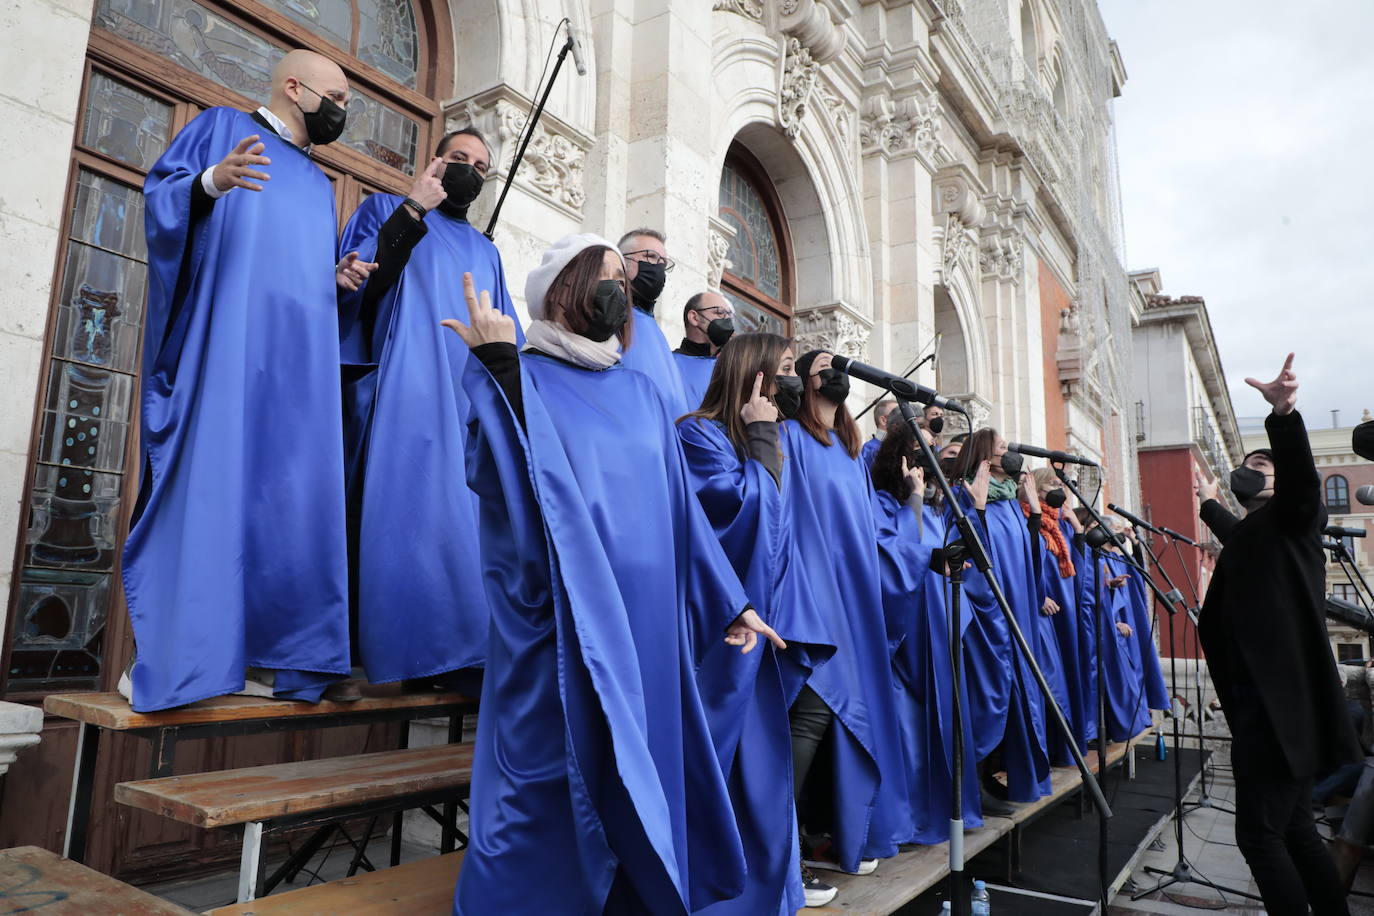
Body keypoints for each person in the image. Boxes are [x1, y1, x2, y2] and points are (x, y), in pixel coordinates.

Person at [445, 236, 782, 914]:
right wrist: (497, 366)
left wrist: (731, 602)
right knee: (552, 774)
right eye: (604, 276)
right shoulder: (524, 374)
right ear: (565, 288)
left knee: (645, 769)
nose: (618, 289)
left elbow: (680, 510)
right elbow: (501, 479)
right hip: (563, 621)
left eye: (621, 280)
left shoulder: (642, 393)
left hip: (648, 624)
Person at [123, 49, 373, 711]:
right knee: (214, 488)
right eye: (338, 97)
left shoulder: (320, 187)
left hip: (298, 375)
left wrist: (335, 279)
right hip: (227, 351)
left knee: (290, 505)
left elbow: (295, 277)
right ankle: (188, 655)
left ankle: (280, 656)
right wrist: (209, 182)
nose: (344, 110)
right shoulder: (223, 128)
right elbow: (161, 199)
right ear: (294, 88)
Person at [335, 127, 520, 688]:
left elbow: (505, 333)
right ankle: (369, 652)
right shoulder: (388, 208)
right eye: (458, 158)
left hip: (465, 395)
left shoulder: (487, 251)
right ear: (435, 159)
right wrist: (417, 207)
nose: (468, 170)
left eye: (480, 166)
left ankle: (454, 659)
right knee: (398, 515)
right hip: (403, 385)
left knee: (461, 528)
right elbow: (360, 283)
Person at [1193, 354, 1360, 915]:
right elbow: (1235, 535)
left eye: (1261, 463)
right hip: (1269, 708)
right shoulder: (1256, 533)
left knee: (1259, 837)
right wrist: (1209, 498)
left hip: (1277, 709)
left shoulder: (1296, 515)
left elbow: (1296, 485)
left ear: (1283, 479)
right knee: (1292, 829)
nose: (1251, 468)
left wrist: (1283, 413)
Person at [678, 333, 837, 910]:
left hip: (767, 623)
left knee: (764, 769)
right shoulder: (698, 433)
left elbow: (781, 538)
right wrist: (764, 438)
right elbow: (730, 519)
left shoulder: (770, 443)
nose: (795, 382)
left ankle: (767, 885)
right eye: (788, 368)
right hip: (719, 629)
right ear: (756, 375)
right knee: (724, 762)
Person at [781, 350, 910, 875]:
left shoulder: (851, 452)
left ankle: (831, 835)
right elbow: (787, 521)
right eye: (825, 369)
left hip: (854, 601)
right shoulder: (793, 439)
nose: (837, 377)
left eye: (841, 369)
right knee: (810, 715)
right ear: (809, 384)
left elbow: (867, 534)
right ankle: (780, 847)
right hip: (813, 598)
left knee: (842, 720)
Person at [870, 419, 983, 842]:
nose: (928, 465)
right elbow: (898, 556)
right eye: (921, 455)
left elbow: (936, 553)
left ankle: (952, 809)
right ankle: (914, 818)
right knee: (911, 732)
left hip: (940, 632)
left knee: (947, 724)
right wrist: (912, 499)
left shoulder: (939, 509)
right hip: (906, 637)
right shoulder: (882, 502)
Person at [948, 429, 1055, 806]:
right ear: (984, 456)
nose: (1009, 454)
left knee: (1019, 698)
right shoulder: (963, 494)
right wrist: (975, 509)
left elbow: (1030, 559)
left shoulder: (1009, 499)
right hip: (988, 615)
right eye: (1002, 449)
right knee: (989, 695)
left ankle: (999, 776)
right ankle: (972, 786)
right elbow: (963, 553)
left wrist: (1034, 511)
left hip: (1018, 612)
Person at [1026, 467, 1091, 758]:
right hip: (1044, 612)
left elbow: (1077, 570)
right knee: (1051, 681)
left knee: (1068, 673)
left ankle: (1069, 746)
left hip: (1065, 609)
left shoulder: (1060, 526)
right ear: (1036, 489)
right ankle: (1051, 749)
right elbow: (1024, 564)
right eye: (1052, 484)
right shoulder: (1029, 519)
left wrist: (1077, 528)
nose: (1058, 489)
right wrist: (1037, 594)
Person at [617, 228, 689, 415]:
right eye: (650, 256)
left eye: (662, 262)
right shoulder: (609, 319)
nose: (657, 267)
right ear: (622, 261)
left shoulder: (655, 329)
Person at [674, 291, 735, 410]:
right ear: (694, 318)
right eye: (720, 313)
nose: (727, 320)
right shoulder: (669, 363)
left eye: (729, 315)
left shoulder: (731, 371)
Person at [859, 399, 897, 468]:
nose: (903, 419)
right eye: (897, 414)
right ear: (883, 420)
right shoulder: (870, 450)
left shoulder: (900, 447)